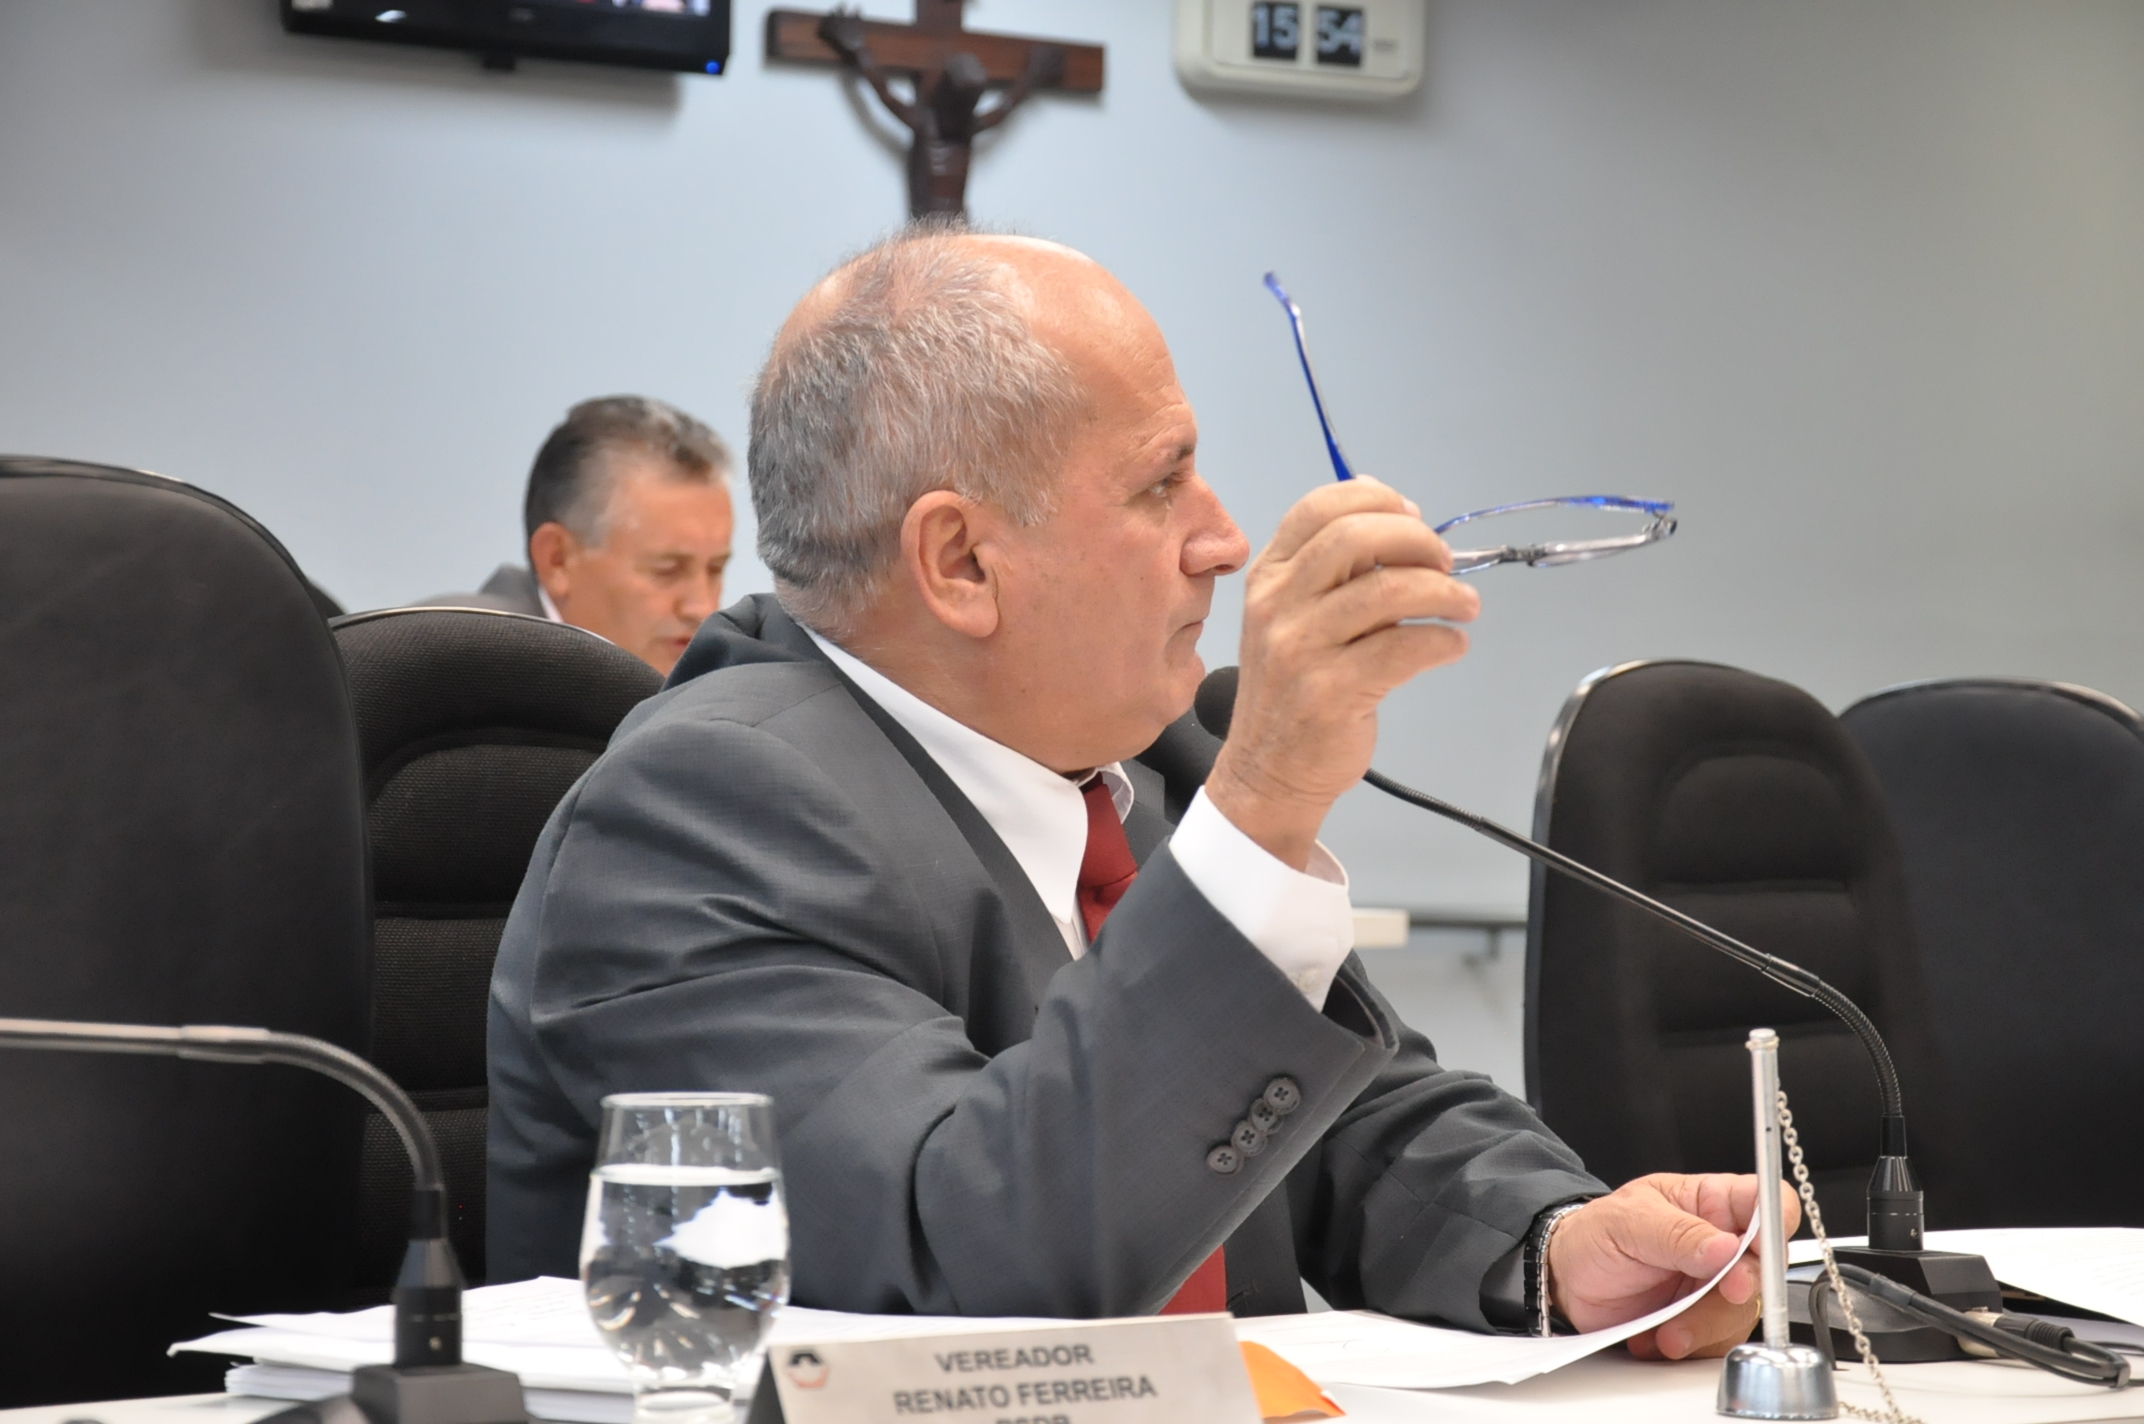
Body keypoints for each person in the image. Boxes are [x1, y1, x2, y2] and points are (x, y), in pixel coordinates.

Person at [488, 229, 1792, 1357]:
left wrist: (1555, 1241)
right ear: (960, 562)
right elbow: (964, 1257)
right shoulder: (699, 810)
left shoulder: (1145, 764)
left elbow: (1348, 1120)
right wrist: (1264, 803)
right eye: (1161, 482)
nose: (1222, 538)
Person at [419, 395, 735, 675]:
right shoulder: (449, 665)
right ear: (557, 560)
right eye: (667, 570)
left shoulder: (718, 674)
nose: (702, 607)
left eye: (715, 570)